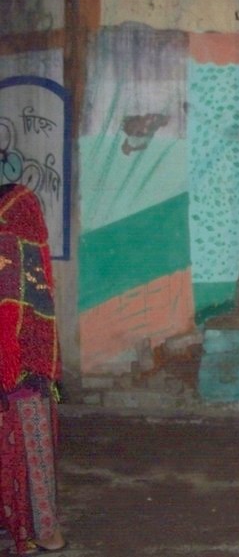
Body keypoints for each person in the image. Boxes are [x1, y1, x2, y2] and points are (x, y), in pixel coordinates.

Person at [0, 184, 66, 554]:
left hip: (19, 366)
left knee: (29, 448)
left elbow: (11, 306)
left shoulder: (10, 230)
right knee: (29, 451)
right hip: (27, 365)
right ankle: (34, 528)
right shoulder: (25, 235)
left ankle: (45, 531)